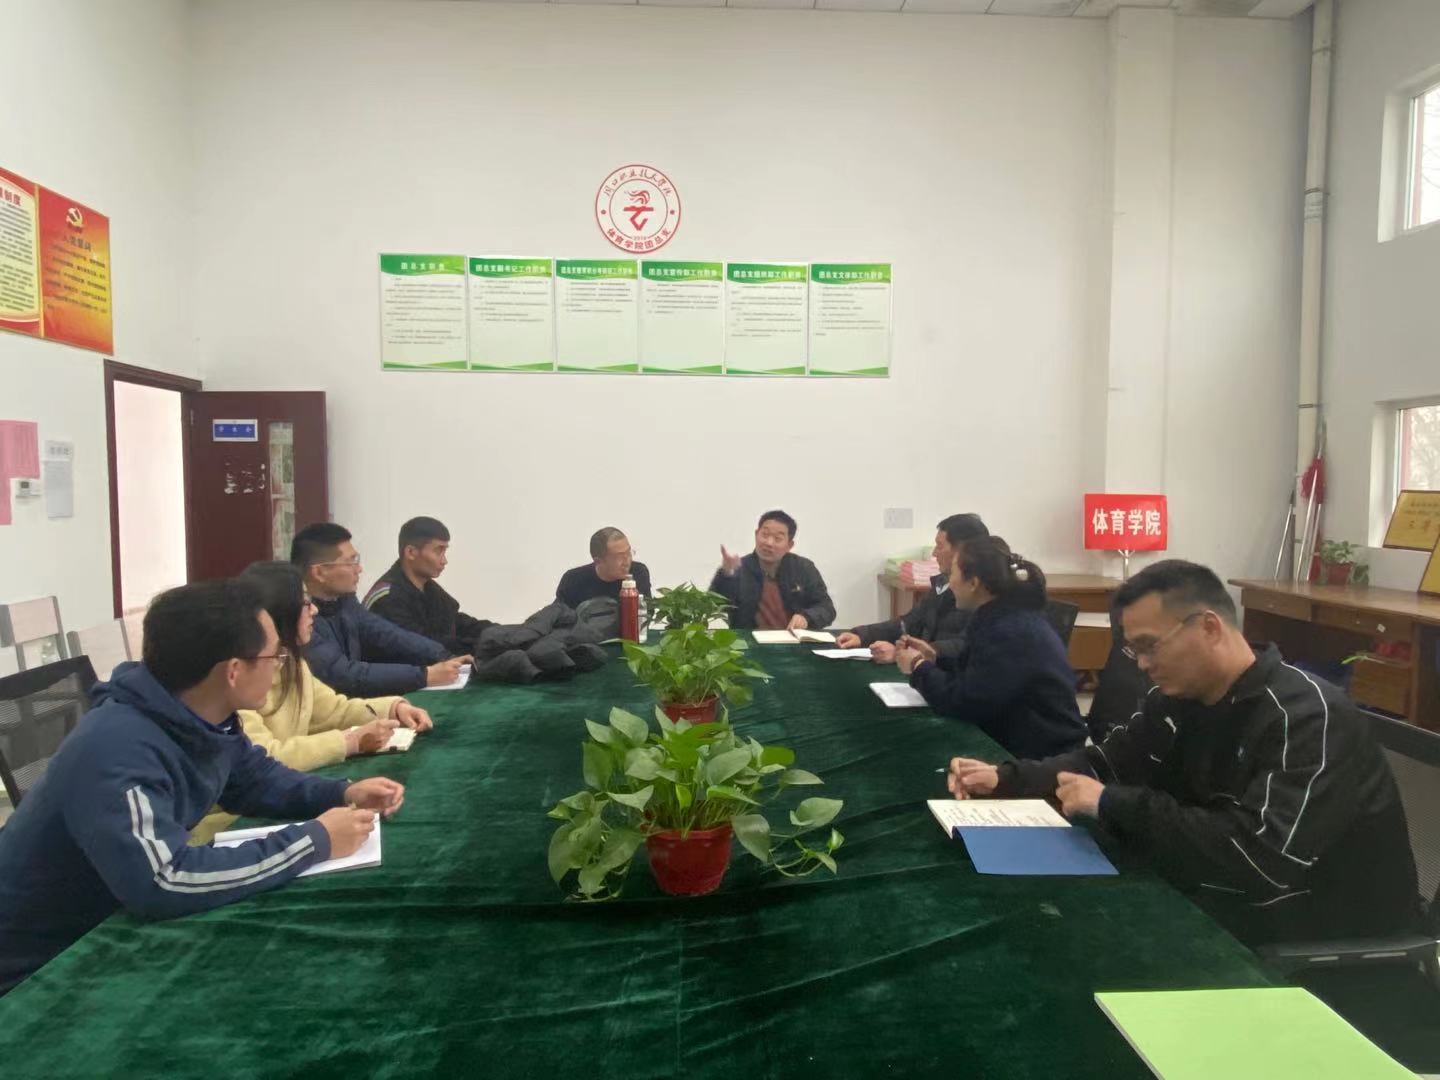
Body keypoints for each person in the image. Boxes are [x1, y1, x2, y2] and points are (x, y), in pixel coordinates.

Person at [945, 559, 1423, 946]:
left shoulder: (1305, 717)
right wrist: (1006, 778)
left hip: (1309, 931)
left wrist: (1112, 803)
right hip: (1209, 895)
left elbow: (1258, 860)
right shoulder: (1177, 699)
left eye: (1150, 647)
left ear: (1210, 627)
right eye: (1134, 651)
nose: (1143, 664)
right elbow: (1105, 763)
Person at [0, 579, 405, 996]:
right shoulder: (116, 748)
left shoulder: (199, 714)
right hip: (38, 971)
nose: (279, 666)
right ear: (233, 671)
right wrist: (313, 841)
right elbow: (163, 881)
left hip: (107, 925)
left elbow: (253, 779)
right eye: (274, 656)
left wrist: (340, 793)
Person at [190, 562, 436, 845]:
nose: (315, 611)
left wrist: (393, 707)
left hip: (270, 802)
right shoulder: (236, 681)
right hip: (225, 827)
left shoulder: (291, 661)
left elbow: (332, 709)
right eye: (305, 603)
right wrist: (350, 742)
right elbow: (265, 760)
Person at [896, 536, 1085, 759]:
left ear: (974, 583)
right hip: (1015, 738)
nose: (950, 582)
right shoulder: (1001, 616)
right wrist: (934, 657)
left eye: (953, 573)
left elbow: (963, 702)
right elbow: (979, 672)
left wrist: (918, 666)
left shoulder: (1009, 630)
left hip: (1039, 759)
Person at [291, 522, 467, 696]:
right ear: (319, 572)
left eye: (357, 560)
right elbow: (344, 674)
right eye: (350, 562)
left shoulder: (344, 600)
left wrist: (443, 655)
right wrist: (424, 675)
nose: (359, 569)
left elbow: (387, 634)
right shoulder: (297, 617)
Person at [836, 513, 990, 663]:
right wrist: (863, 635)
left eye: (940, 546)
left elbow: (964, 647)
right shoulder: (942, 583)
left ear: (962, 550)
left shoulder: (982, 595)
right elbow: (910, 622)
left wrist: (908, 654)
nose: (934, 553)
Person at [362, 516, 494, 654]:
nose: (444, 561)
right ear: (411, 552)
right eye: (438, 551)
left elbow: (456, 623)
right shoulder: (387, 599)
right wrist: (489, 645)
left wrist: (503, 634)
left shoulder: (428, 588)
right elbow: (423, 646)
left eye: (445, 551)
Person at [710, 510, 835, 632]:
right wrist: (726, 574)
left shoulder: (803, 568)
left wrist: (806, 618)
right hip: (749, 642)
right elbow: (713, 604)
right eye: (765, 535)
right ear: (756, 534)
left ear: (789, 545)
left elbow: (827, 609)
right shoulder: (739, 568)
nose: (769, 543)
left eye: (778, 538)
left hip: (795, 640)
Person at [555, 527, 652, 609]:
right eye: (619, 557)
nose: (627, 562)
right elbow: (558, 617)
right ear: (598, 561)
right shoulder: (573, 580)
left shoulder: (638, 573)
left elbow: (647, 613)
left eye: (628, 553)